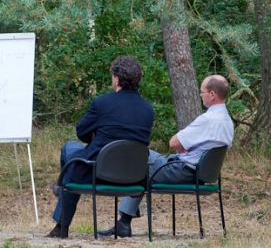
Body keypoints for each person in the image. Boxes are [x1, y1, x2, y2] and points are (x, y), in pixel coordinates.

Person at [98, 74, 234, 238]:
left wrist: (182, 147)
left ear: (212, 94)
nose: (200, 95)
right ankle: (123, 223)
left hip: (182, 171)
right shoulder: (226, 120)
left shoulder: (208, 119)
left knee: (137, 159)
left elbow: (174, 142)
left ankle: (123, 222)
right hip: (199, 173)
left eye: (202, 92)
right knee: (141, 159)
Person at [47, 56, 155, 238]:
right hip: (132, 176)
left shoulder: (102, 103)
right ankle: (62, 185)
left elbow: (81, 132)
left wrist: (95, 133)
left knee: (70, 148)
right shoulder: (148, 109)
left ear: (116, 79)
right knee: (75, 158)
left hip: (95, 172)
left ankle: (61, 217)